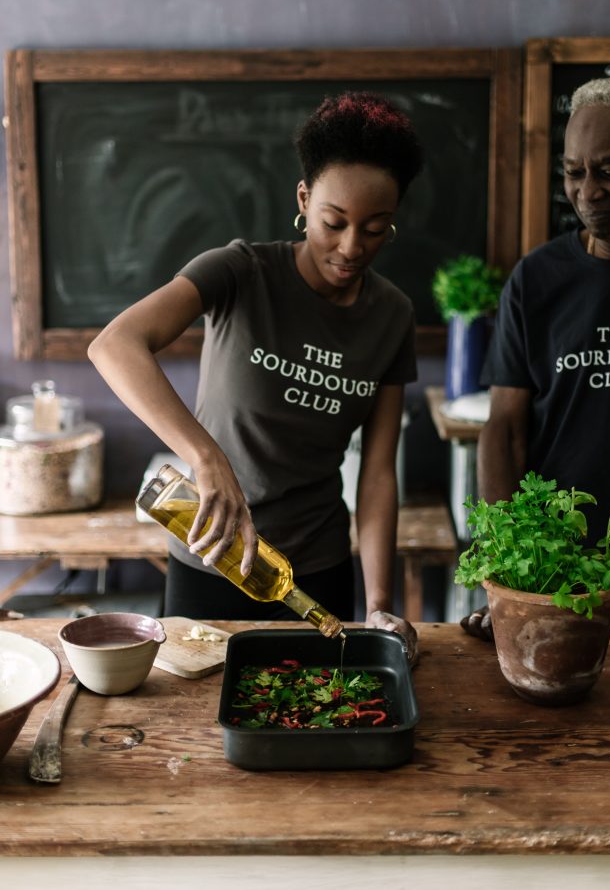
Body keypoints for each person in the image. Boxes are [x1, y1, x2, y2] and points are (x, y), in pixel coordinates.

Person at [88, 91, 423, 661]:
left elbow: (377, 473)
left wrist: (378, 603)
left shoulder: (393, 315)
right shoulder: (240, 272)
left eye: (375, 229)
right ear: (303, 198)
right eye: (334, 222)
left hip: (317, 570)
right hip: (210, 560)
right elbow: (115, 345)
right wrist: (206, 457)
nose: (350, 247)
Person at [462, 76, 610, 667]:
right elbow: (504, 432)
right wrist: (508, 574)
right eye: (573, 172)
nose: (588, 191)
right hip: (556, 583)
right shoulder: (536, 281)